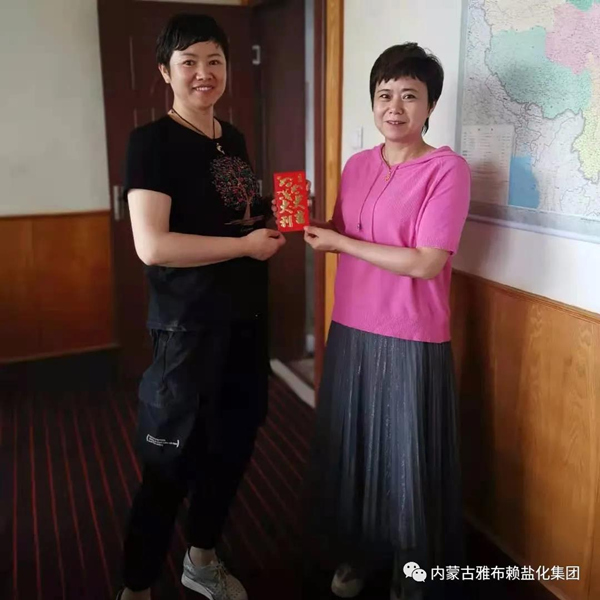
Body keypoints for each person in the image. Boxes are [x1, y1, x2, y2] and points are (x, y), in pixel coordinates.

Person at [116, 13, 285, 600]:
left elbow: (232, 217)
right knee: (169, 464)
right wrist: (244, 246)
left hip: (245, 322)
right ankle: (136, 585)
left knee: (232, 449)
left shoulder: (230, 138)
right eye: (188, 62)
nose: (203, 73)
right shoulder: (151, 143)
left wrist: (278, 215)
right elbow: (153, 246)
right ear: (166, 72)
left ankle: (202, 558)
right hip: (187, 328)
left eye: (214, 60)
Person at [303, 44, 471, 600]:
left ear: (430, 106)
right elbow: (341, 232)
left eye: (409, 96)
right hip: (351, 324)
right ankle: (358, 553)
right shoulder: (357, 165)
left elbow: (426, 262)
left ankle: (410, 570)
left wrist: (342, 242)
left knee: (406, 460)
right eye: (384, 94)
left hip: (410, 331)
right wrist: (305, 221)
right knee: (353, 450)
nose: (394, 107)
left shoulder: (446, 169)